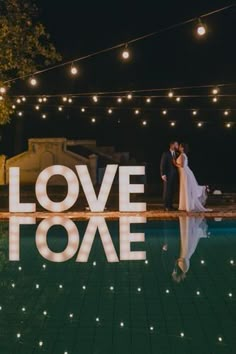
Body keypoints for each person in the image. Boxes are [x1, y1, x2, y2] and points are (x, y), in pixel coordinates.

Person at [173, 143, 210, 212]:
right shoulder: (183, 155)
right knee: (188, 188)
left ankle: (203, 188)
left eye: (180, 147)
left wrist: (175, 163)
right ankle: (187, 205)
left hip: (185, 173)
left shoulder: (182, 155)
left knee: (188, 188)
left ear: (183, 148)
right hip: (185, 173)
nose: (179, 148)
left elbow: (182, 165)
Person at [160, 141, 179, 211]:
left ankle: (170, 205)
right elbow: (162, 164)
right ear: (171, 145)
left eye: (177, 144)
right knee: (166, 190)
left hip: (174, 175)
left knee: (172, 190)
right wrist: (162, 174)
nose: (177, 146)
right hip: (167, 175)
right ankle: (166, 206)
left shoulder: (177, 154)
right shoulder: (166, 154)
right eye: (176, 144)